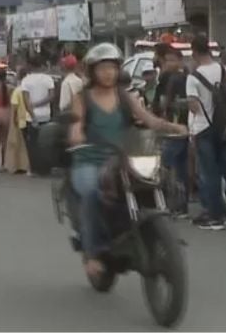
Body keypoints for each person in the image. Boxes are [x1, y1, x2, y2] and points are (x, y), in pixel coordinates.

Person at [67, 43, 187, 280]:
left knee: (161, 181)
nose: (108, 73)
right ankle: (92, 254)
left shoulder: (126, 97)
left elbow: (149, 120)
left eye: (112, 67)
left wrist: (174, 127)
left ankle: (159, 234)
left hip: (121, 159)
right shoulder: (82, 98)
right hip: (89, 160)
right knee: (92, 193)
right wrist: (77, 133)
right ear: (92, 71)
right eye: (102, 68)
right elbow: (76, 123)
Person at [188, 35, 226, 231]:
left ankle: (216, 217)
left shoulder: (193, 77)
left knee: (210, 173)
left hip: (204, 129)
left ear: (194, 52)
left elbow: (194, 106)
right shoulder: (223, 70)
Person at [155, 47, 192, 218]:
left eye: (172, 60)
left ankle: (174, 205)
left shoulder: (176, 78)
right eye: (167, 60)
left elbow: (164, 102)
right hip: (180, 127)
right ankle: (179, 205)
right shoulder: (174, 77)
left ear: (180, 61)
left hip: (175, 127)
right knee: (179, 167)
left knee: (169, 167)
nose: (169, 63)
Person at [20, 56, 56, 149]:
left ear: (30, 66)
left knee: (32, 145)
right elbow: (51, 96)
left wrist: (33, 116)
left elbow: (26, 102)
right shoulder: (48, 79)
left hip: (31, 118)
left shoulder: (26, 80)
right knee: (45, 144)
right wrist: (39, 104)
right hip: (46, 116)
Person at [5, 67, 32, 175]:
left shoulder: (17, 90)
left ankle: (17, 166)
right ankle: (26, 166)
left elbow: (14, 106)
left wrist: (14, 119)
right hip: (29, 119)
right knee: (26, 146)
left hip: (19, 121)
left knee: (16, 145)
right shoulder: (29, 89)